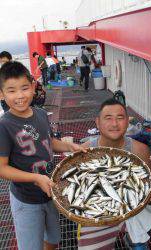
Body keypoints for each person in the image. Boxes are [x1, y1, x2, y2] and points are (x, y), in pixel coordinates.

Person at [0, 61, 85, 250]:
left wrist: (69, 146)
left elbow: (50, 142)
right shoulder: (4, 125)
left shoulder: (40, 114)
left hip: (51, 192)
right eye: (11, 91)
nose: (20, 96)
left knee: (53, 239)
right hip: (26, 200)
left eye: (24, 88)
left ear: (32, 87)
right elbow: (2, 168)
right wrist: (35, 178)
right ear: (1, 94)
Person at [78, 98, 151, 250]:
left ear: (128, 122)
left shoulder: (141, 150)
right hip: (99, 215)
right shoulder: (85, 151)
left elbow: (149, 183)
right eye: (108, 118)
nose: (114, 124)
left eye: (120, 118)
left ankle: (133, 238)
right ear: (97, 122)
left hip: (135, 210)